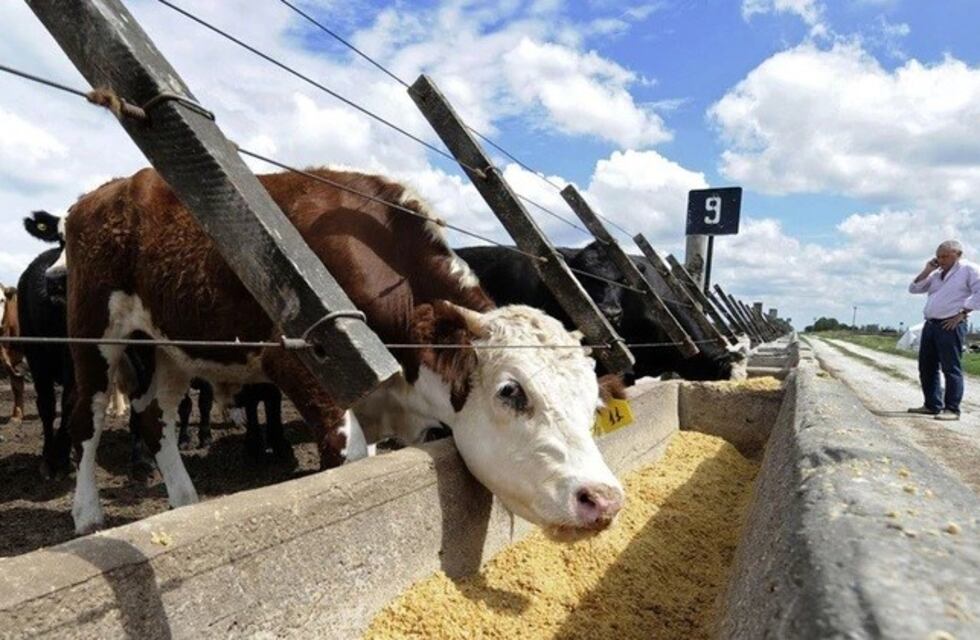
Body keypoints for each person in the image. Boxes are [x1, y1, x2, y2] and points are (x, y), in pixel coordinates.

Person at [907, 240, 980, 420]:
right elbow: (914, 288)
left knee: (950, 367)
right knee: (927, 366)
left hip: (950, 324)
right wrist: (927, 270)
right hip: (931, 324)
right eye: (938, 256)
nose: (941, 259)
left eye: (946, 256)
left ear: (958, 255)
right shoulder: (936, 274)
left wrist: (963, 313)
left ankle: (952, 409)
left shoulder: (968, 269)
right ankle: (932, 405)